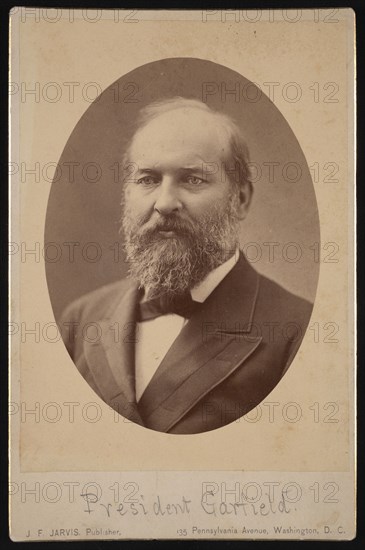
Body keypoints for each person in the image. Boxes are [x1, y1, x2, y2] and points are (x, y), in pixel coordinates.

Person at [59, 97, 313, 434]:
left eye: (193, 179)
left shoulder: (297, 332)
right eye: (148, 179)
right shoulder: (81, 318)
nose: (165, 203)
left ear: (240, 200)